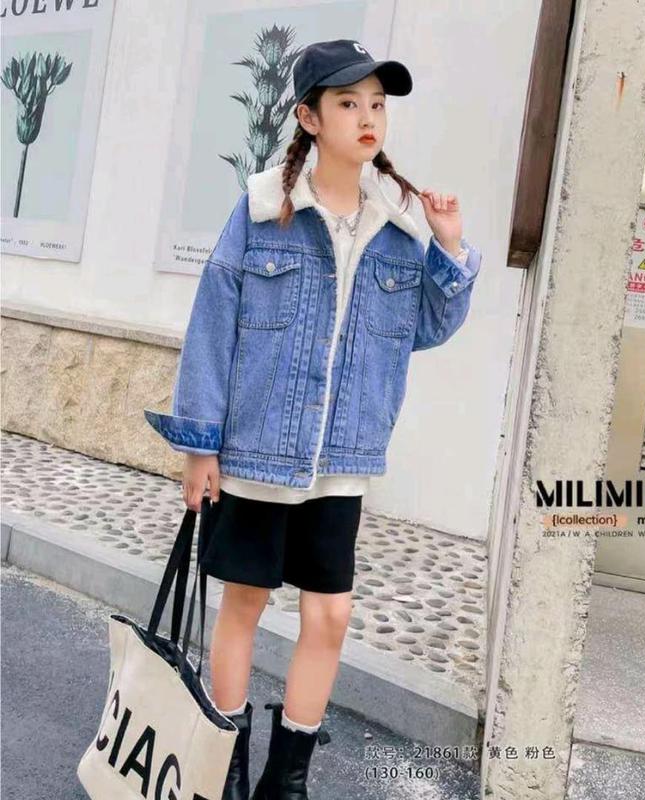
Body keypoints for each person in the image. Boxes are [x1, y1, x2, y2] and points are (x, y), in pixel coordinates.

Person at [144, 38, 481, 799]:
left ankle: (287, 781)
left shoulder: (397, 225)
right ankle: (226, 765)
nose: (368, 118)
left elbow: (428, 327)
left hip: (343, 460)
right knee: (244, 606)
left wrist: (451, 247)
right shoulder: (263, 212)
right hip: (258, 453)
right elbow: (211, 328)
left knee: (329, 618)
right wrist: (199, 446)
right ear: (309, 116)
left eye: (377, 104)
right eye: (348, 102)